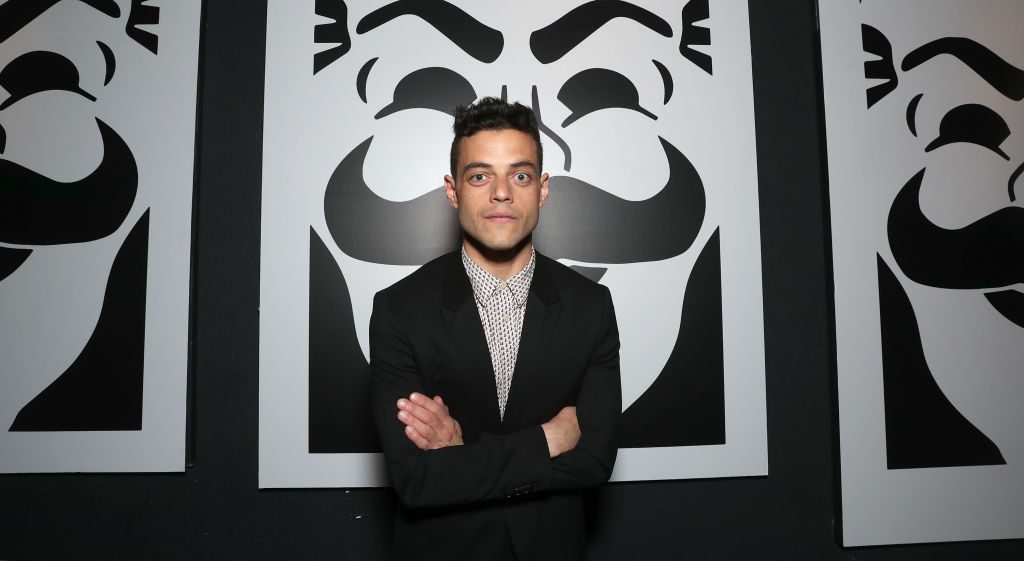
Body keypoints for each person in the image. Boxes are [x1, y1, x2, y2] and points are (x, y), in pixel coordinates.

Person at [369, 97, 621, 560]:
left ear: (542, 189)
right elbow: (417, 480)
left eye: (520, 176)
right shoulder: (399, 310)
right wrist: (546, 440)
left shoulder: (591, 307)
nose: (501, 193)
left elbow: (595, 462)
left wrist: (461, 455)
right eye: (480, 176)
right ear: (453, 191)